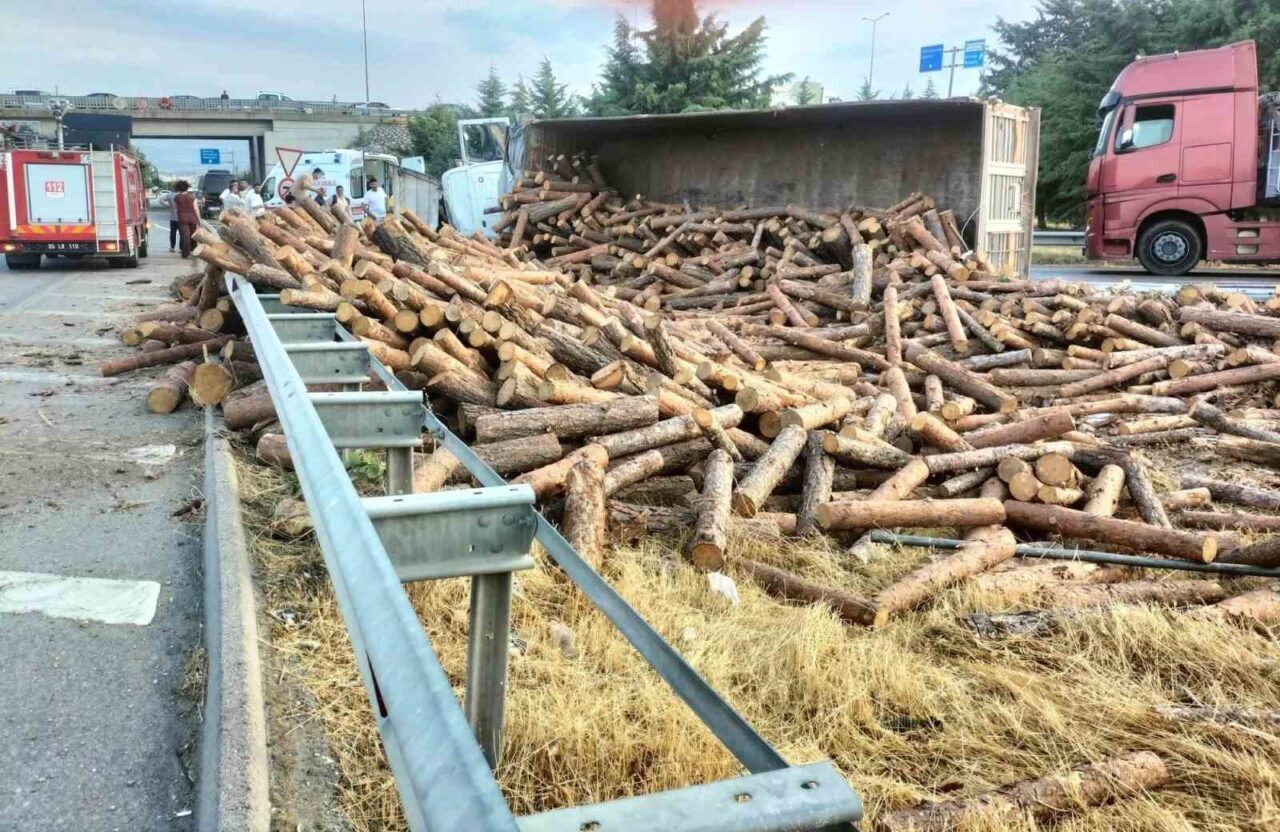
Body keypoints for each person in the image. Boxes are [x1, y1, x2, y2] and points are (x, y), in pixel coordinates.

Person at [173, 181, 200, 259]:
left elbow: (175, 208)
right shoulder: (192, 197)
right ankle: (194, 251)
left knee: (185, 236)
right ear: (187, 188)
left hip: (182, 218)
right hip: (192, 217)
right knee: (193, 235)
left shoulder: (177, 197)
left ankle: (186, 254)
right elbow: (196, 208)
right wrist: (199, 219)